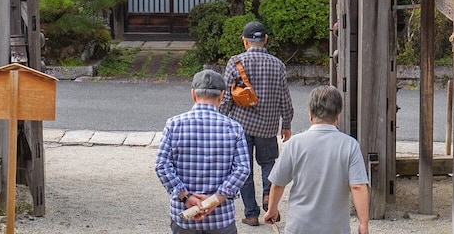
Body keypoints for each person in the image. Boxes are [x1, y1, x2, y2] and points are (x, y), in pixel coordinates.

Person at [261, 86, 370, 234]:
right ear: (337, 117)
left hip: (299, 226)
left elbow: (278, 183)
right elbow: (358, 187)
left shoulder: (295, 143)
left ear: (310, 116)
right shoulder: (350, 145)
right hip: (336, 228)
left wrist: (272, 209)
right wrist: (363, 223)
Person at [156, 69, 254, 234]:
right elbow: (243, 168)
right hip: (220, 217)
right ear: (222, 96)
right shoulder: (233, 127)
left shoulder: (174, 124)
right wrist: (216, 199)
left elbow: (161, 165)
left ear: (193, 94)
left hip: (184, 216)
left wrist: (186, 196)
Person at [218, 20, 293, 226]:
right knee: (268, 163)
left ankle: (251, 214)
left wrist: (221, 122)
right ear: (265, 40)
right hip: (268, 126)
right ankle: (270, 203)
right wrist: (286, 124)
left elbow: (226, 98)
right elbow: (284, 98)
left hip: (240, 125)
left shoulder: (235, 62)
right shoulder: (278, 64)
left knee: (244, 168)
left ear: (245, 41)